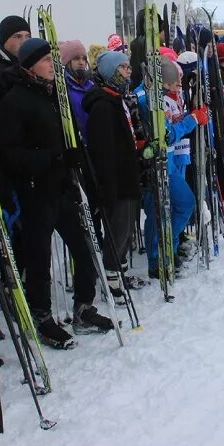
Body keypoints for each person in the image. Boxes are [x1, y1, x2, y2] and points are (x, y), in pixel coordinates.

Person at [0, 38, 112, 348]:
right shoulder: (14, 102)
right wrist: (52, 159)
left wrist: (75, 159)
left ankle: (83, 306)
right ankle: (41, 316)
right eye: (46, 61)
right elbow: (8, 153)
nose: (52, 66)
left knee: (84, 250)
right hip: (34, 192)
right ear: (30, 66)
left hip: (63, 186)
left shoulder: (56, 95)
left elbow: (68, 135)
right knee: (39, 258)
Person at [83, 51, 146, 297]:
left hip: (129, 176)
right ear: (111, 72)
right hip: (116, 182)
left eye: (129, 68)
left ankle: (121, 271)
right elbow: (104, 152)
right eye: (123, 68)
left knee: (127, 229)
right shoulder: (102, 105)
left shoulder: (118, 98)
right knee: (118, 231)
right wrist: (107, 188)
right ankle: (112, 277)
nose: (128, 72)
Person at [137, 58, 207, 278]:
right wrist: (193, 120)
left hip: (169, 159)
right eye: (174, 83)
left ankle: (169, 249)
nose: (177, 87)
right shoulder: (147, 98)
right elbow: (166, 134)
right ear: (165, 83)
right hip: (155, 162)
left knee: (178, 205)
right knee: (162, 209)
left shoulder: (160, 96)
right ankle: (158, 257)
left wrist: (190, 116)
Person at [60, 40, 94, 142]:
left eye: (84, 59)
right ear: (67, 61)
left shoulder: (91, 85)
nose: (81, 62)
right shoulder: (63, 88)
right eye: (76, 58)